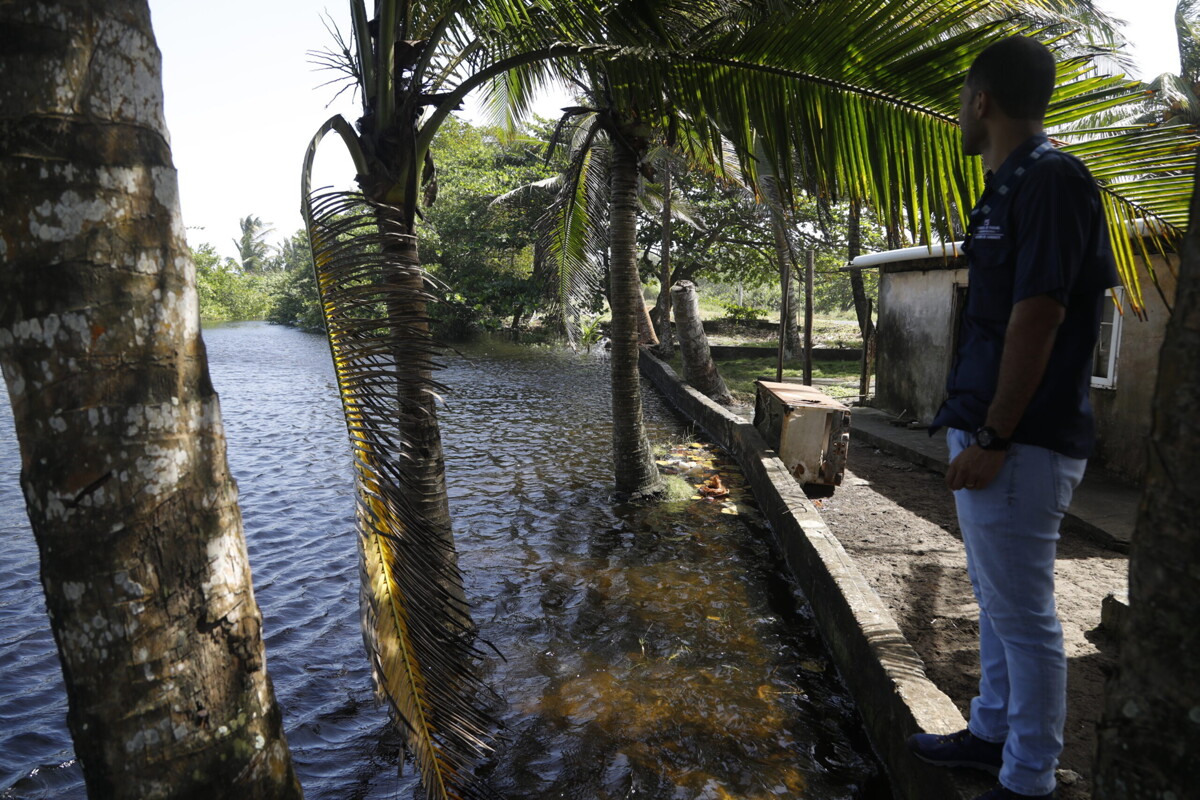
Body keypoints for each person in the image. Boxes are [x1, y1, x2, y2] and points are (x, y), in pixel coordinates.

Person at [907, 35, 1119, 800]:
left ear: (981, 100)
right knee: (997, 600)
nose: (959, 110)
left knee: (1026, 615)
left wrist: (996, 433)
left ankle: (1028, 778)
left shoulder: (1052, 180)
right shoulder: (1009, 185)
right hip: (993, 431)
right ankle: (990, 733)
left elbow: (1039, 314)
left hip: (1022, 441)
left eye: (961, 98)